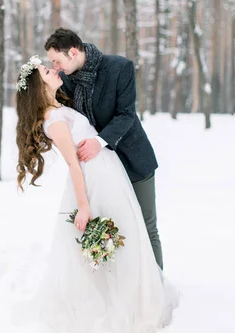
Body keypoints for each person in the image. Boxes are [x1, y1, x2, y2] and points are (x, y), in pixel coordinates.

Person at [15, 55, 177, 333]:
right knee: (115, 236)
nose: (53, 71)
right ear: (40, 85)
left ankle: (134, 294)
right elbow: (74, 166)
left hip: (107, 173)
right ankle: (112, 305)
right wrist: (85, 206)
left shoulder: (59, 108)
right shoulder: (55, 120)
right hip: (95, 180)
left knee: (130, 232)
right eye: (47, 71)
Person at [45, 28, 163, 269]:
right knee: (115, 226)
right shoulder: (66, 79)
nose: (56, 66)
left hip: (132, 160)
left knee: (146, 224)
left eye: (57, 60)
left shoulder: (120, 68)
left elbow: (126, 115)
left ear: (74, 52)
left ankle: (156, 286)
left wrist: (99, 142)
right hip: (100, 171)